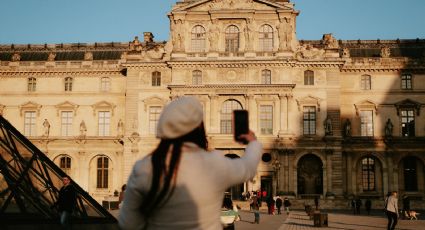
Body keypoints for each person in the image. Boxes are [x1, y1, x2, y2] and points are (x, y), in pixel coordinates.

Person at [119, 96, 262, 230]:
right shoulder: (214, 163)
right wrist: (253, 142)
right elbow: (248, 167)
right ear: (199, 129)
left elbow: (128, 224)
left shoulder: (144, 167)